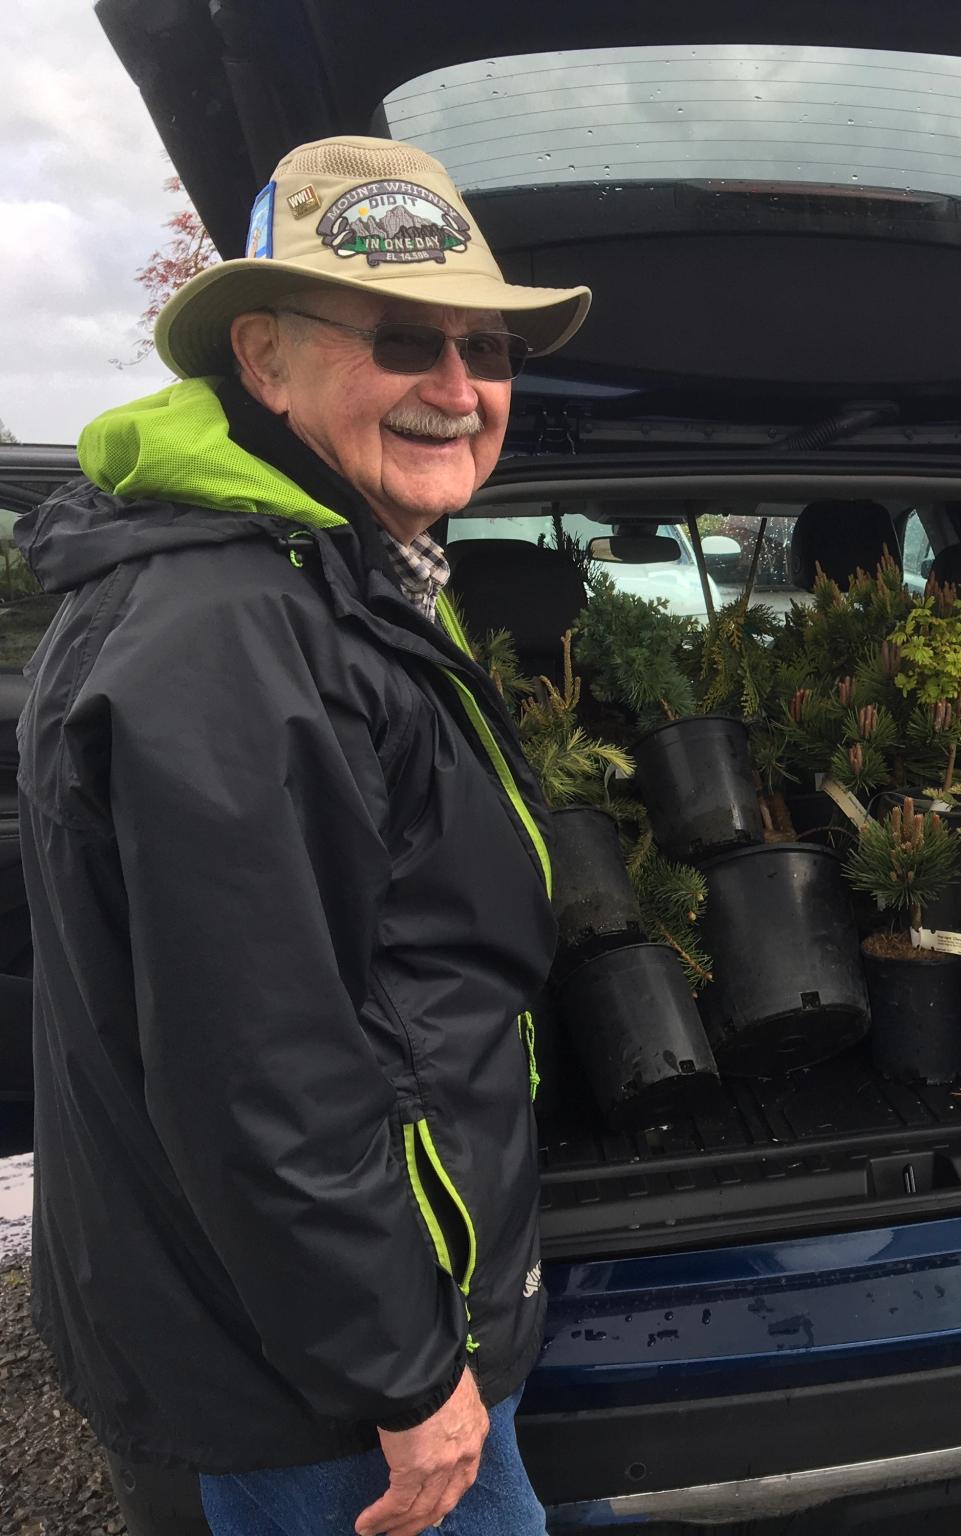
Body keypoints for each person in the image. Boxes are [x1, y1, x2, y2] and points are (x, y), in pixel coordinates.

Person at [18, 136, 591, 1536]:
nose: (458, 387)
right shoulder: (229, 636)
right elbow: (261, 1071)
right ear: (264, 361)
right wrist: (403, 1375)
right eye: (403, 340)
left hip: (345, 1317)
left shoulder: (323, 578)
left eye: (488, 349)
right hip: (319, 1378)